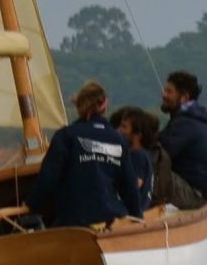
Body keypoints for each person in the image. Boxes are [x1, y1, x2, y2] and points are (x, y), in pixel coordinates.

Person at [29, 82, 144, 228]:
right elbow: (129, 186)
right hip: (111, 219)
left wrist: (31, 205)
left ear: (79, 105)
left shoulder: (66, 136)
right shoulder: (118, 140)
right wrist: (137, 216)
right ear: (104, 105)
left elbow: (48, 178)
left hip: (75, 221)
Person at [158, 70, 207, 205]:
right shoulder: (186, 119)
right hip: (196, 189)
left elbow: (159, 154)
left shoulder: (186, 123)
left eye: (169, 92)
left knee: (145, 167)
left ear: (184, 97)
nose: (163, 95)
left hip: (195, 194)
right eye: (165, 90)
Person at [108, 106, 163, 211]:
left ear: (137, 134)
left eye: (124, 127)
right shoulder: (143, 155)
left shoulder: (137, 156)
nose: (118, 130)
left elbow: (134, 184)